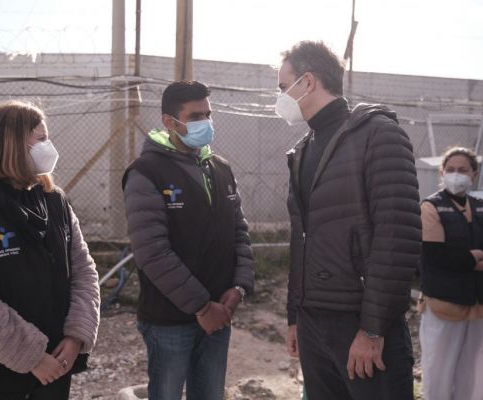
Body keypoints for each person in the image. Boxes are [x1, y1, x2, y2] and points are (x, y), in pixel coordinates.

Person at [276, 41, 421, 399]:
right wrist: (295, 316)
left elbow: (396, 238)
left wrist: (372, 329)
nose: (279, 97)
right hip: (313, 324)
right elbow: (302, 240)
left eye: (283, 87)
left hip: (360, 325)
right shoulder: (302, 150)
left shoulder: (378, 135)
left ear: (308, 82)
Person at [0, 100, 101, 400]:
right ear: (11, 145)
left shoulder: (54, 200)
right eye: (41, 139)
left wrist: (76, 336)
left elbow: (84, 271)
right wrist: (33, 357)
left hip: (57, 363)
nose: (48, 146)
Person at [122, 80, 254, 400]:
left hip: (220, 314)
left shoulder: (220, 168)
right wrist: (201, 307)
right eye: (195, 117)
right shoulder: (146, 172)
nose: (205, 123)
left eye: (208, 115)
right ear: (169, 122)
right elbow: (152, 252)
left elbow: (239, 231)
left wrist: (239, 287)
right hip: (169, 321)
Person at [418, 146, 483, 400]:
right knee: (439, 374)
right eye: (451, 169)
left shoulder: (479, 207)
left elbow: (450, 255)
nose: (457, 175)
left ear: (474, 174)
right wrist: (471, 258)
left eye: (463, 170)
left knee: (473, 376)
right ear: (442, 173)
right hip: (443, 305)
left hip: (477, 307)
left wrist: (466, 259)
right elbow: (434, 255)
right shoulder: (431, 207)